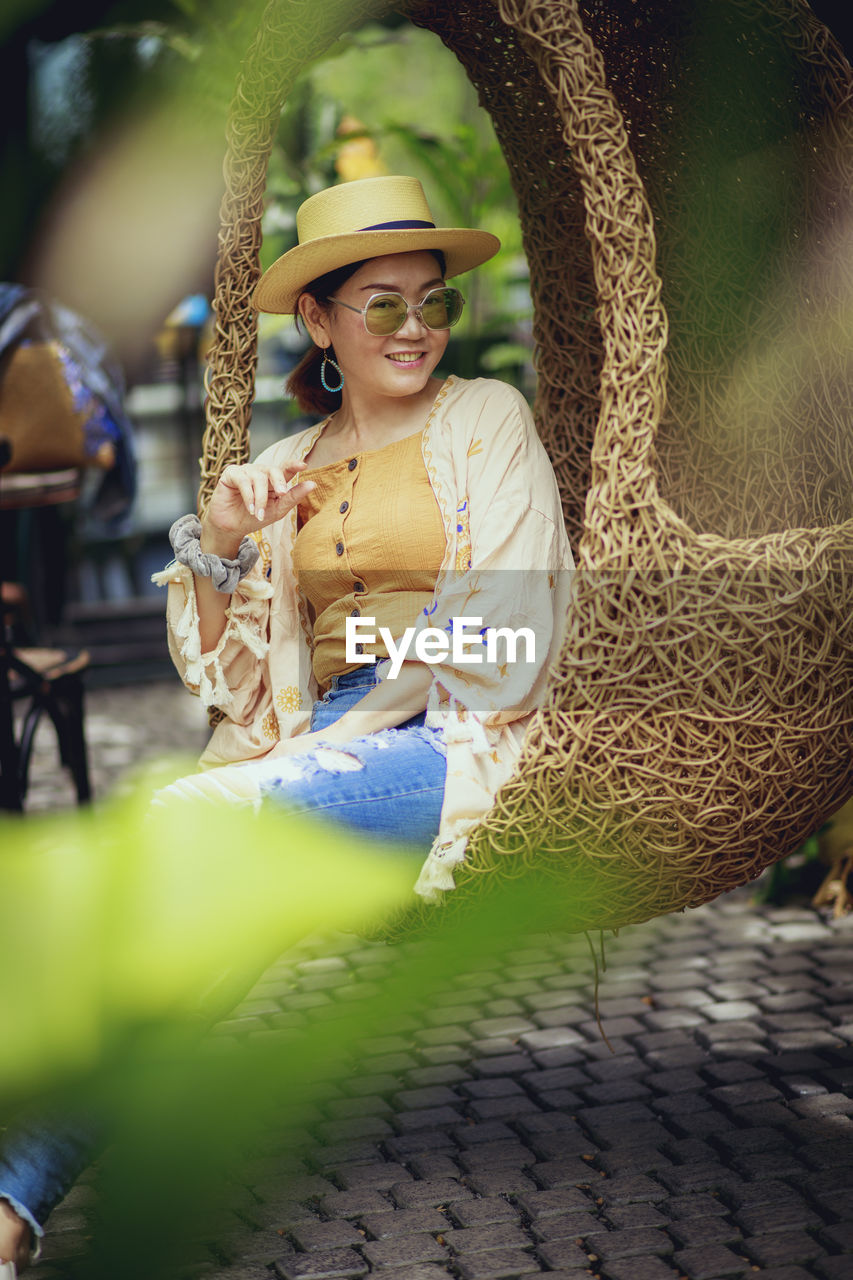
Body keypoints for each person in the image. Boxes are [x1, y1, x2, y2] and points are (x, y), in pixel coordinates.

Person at [0, 174, 573, 1274]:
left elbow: (510, 640)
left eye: (432, 300)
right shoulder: (282, 470)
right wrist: (218, 545)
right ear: (318, 319)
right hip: (325, 752)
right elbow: (231, 684)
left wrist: (334, 730)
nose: (417, 329)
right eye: (384, 305)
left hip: (456, 738)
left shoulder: (486, 419)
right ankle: (13, 1208)